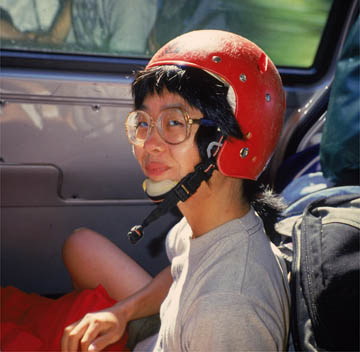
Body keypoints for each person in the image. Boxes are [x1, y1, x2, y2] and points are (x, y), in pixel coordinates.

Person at [60, 29, 290, 351]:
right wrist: (120, 314)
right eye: (143, 122)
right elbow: (182, 270)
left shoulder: (226, 311)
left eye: (174, 123)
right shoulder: (206, 220)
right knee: (79, 245)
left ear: (227, 144)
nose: (149, 145)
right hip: (168, 330)